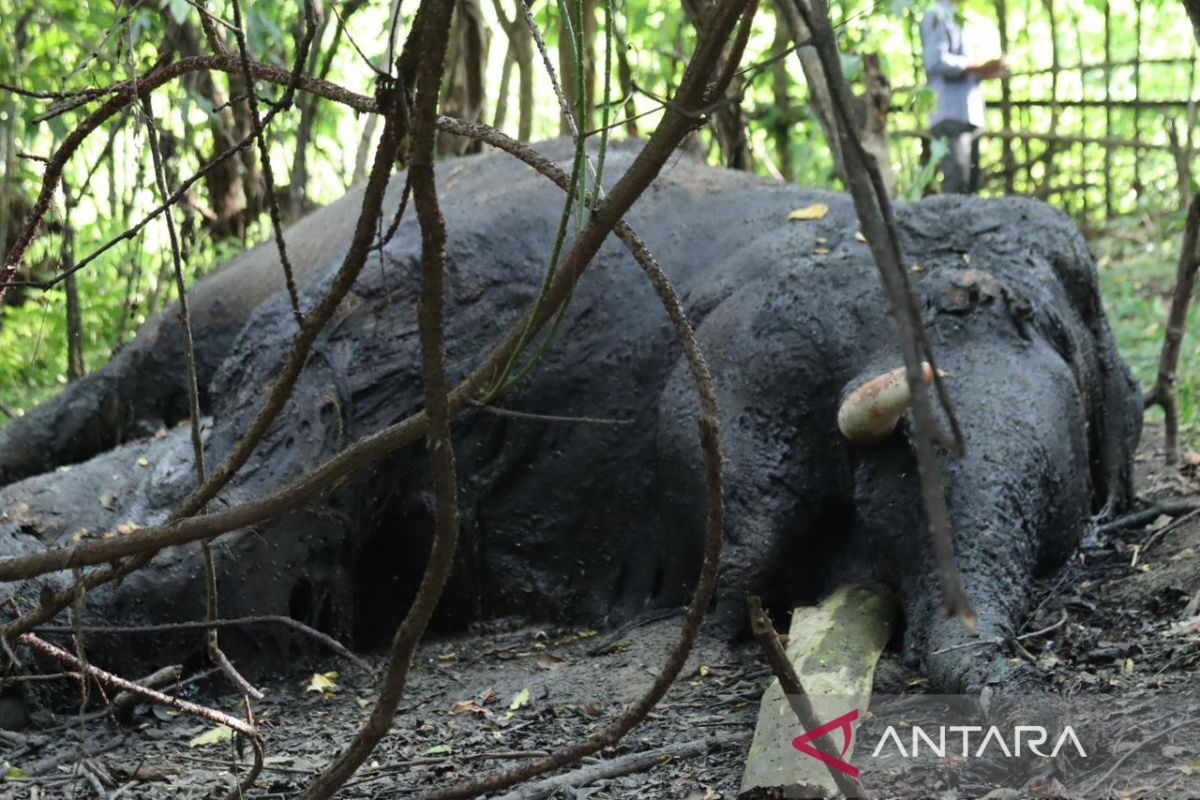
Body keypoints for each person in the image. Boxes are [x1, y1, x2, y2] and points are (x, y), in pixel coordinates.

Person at [919, 0, 1009, 194]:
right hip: (949, 113)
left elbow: (967, 68)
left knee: (970, 185)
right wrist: (979, 67)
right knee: (956, 184)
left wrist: (986, 70)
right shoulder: (936, 14)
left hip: (969, 113)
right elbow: (935, 61)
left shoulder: (959, 18)